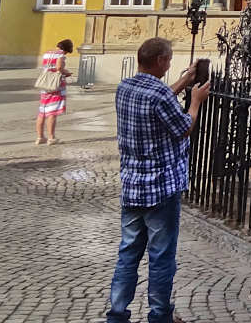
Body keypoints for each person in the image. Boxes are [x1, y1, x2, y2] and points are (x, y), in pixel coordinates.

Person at [105, 37, 210, 323]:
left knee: (128, 253)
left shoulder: (124, 88)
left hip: (132, 186)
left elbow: (157, 99)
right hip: (161, 188)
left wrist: (184, 80)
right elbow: (182, 127)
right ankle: (160, 315)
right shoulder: (160, 96)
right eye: (169, 59)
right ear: (161, 61)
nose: (170, 63)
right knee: (161, 258)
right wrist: (195, 102)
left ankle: (117, 315)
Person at [36, 38, 75, 145]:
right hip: (55, 85)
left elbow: (46, 67)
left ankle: (40, 137)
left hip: (45, 84)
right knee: (52, 112)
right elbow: (58, 68)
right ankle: (51, 138)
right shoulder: (60, 55)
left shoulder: (47, 53)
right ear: (66, 49)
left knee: (42, 111)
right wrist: (66, 72)